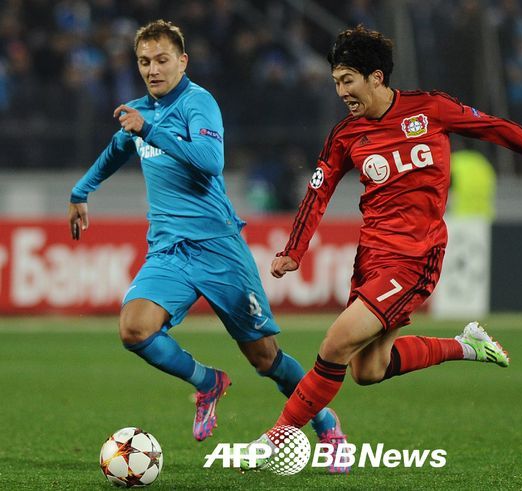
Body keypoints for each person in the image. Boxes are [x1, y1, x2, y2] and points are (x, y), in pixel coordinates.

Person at [243, 25, 522, 469]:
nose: (341, 92)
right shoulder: (345, 134)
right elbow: (318, 191)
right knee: (368, 370)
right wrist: (294, 251)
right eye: (336, 82)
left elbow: (495, 128)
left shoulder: (430, 109)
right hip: (371, 257)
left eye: (347, 80)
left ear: (376, 77)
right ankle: (467, 346)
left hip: (415, 257)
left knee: (335, 344)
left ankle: (275, 439)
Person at [66, 19, 348, 472]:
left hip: (219, 249)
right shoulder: (138, 111)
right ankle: (207, 382)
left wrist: (149, 130)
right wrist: (81, 191)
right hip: (169, 251)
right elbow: (118, 148)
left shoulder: (198, 103)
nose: (153, 69)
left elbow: (210, 161)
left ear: (182, 61)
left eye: (162, 60)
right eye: (144, 61)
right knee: (134, 329)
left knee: (265, 358)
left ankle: (327, 424)